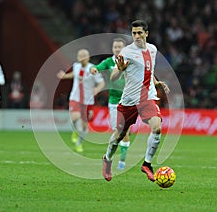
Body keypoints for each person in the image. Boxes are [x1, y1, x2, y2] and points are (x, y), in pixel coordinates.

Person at [102, 20, 170, 182]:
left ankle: (147, 164)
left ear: (146, 34)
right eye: (134, 33)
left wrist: (156, 82)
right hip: (129, 100)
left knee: (157, 128)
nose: (137, 36)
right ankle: (107, 158)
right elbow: (113, 77)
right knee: (119, 135)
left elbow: (148, 70)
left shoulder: (153, 49)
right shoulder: (126, 52)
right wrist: (121, 70)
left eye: (140, 33)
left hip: (147, 98)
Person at [90, 38, 130, 170]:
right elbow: (98, 67)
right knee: (119, 131)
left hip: (129, 100)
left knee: (125, 131)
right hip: (114, 101)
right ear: (112, 49)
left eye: (120, 47)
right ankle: (110, 157)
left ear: (124, 48)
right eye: (115, 47)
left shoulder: (129, 60)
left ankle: (122, 161)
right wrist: (94, 69)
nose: (117, 49)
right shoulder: (109, 62)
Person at [57, 49, 105, 153]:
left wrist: (97, 89)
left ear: (88, 57)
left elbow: (101, 83)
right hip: (75, 98)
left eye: (84, 55)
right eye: (80, 55)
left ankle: (79, 143)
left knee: (84, 127)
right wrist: (65, 76)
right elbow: (74, 74)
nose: (82, 57)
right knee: (74, 117)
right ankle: (75, 131)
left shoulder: (93, 69)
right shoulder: (76, 66)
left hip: (88, 101)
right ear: (78, 57)